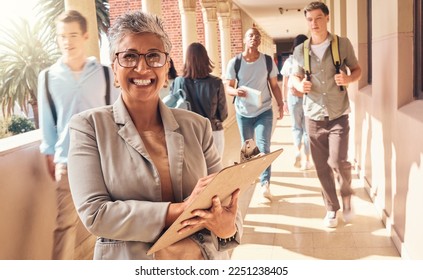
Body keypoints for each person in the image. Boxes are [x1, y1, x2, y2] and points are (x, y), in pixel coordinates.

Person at [67, 10, 242, 260]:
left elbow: (225, 202)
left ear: (167, 65)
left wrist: (228, 227)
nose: (142, 67)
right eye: (129, 56)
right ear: (114, 68)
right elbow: (96, 214)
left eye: (153, 56)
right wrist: (183, 209)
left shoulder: (197, 126)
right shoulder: (89, 127)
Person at [37, 10, 119, 259]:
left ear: (85, 36)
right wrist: (51, 155)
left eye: (72, 35)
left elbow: (117, 118)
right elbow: (47, 122)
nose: (67, 41)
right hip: (67, 164)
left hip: (102, 163)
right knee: (64, 227)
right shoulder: (48, 77)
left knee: (108, 227)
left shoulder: (105, 74)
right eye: (62, 36)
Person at [290, 2, 362, 227]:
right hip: (313, 116)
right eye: (310, 19)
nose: (314, 23)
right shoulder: (300, 50)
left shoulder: (342, 44)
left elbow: (357, 70)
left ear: (327, 18)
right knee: (321, 167)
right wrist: (300, 85)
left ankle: (347, 194)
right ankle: (331, 208)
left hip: (338, 114)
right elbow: (294, 77)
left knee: (338, 161)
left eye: (318, 18)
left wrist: (349, 79)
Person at [225, 27, 284, 200]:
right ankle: (250, 177)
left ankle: (265, 184)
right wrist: (236, 92)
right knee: (248, 147)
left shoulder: (267, 61)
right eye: (251, 35)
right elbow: (228, 86)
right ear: (245, 39)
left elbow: (274, 86)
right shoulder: (235, 62)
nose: (255, 38)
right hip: (243, 112)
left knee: (264, 146)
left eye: (257, 36)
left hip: (264, 110)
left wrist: (281, 104)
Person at [171, 42, 228, 157]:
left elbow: (172, 109)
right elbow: (223, 114)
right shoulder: (216, 82)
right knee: (215, 172)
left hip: (187, 133)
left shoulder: (178, 82)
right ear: (206, 58)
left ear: (187, 60)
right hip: (212, 130)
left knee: (194, 172)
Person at [280, 34, 313, 170]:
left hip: (292, 97)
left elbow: (285, 83)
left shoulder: (289, 61)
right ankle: (307, 160)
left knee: (296, 128)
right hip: (308, 97)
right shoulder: (310, 60)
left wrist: (284, 101)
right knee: (307, 130)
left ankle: (297, 151)